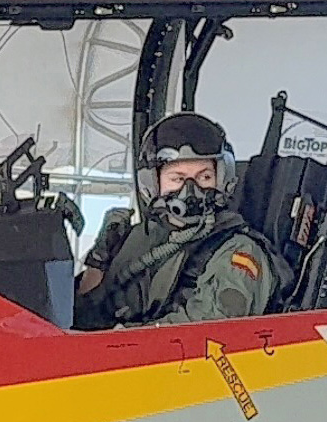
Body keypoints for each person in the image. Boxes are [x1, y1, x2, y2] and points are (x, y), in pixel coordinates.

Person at [73, 111, 278, 329]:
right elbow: (82, 316)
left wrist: (119, 338)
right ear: (153, 182)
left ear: (221, 180)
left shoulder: (238, 250)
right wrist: (98, 261)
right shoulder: (139, 238)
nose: (190, 190)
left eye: (204, 177)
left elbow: (206, 329)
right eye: (177, 178)